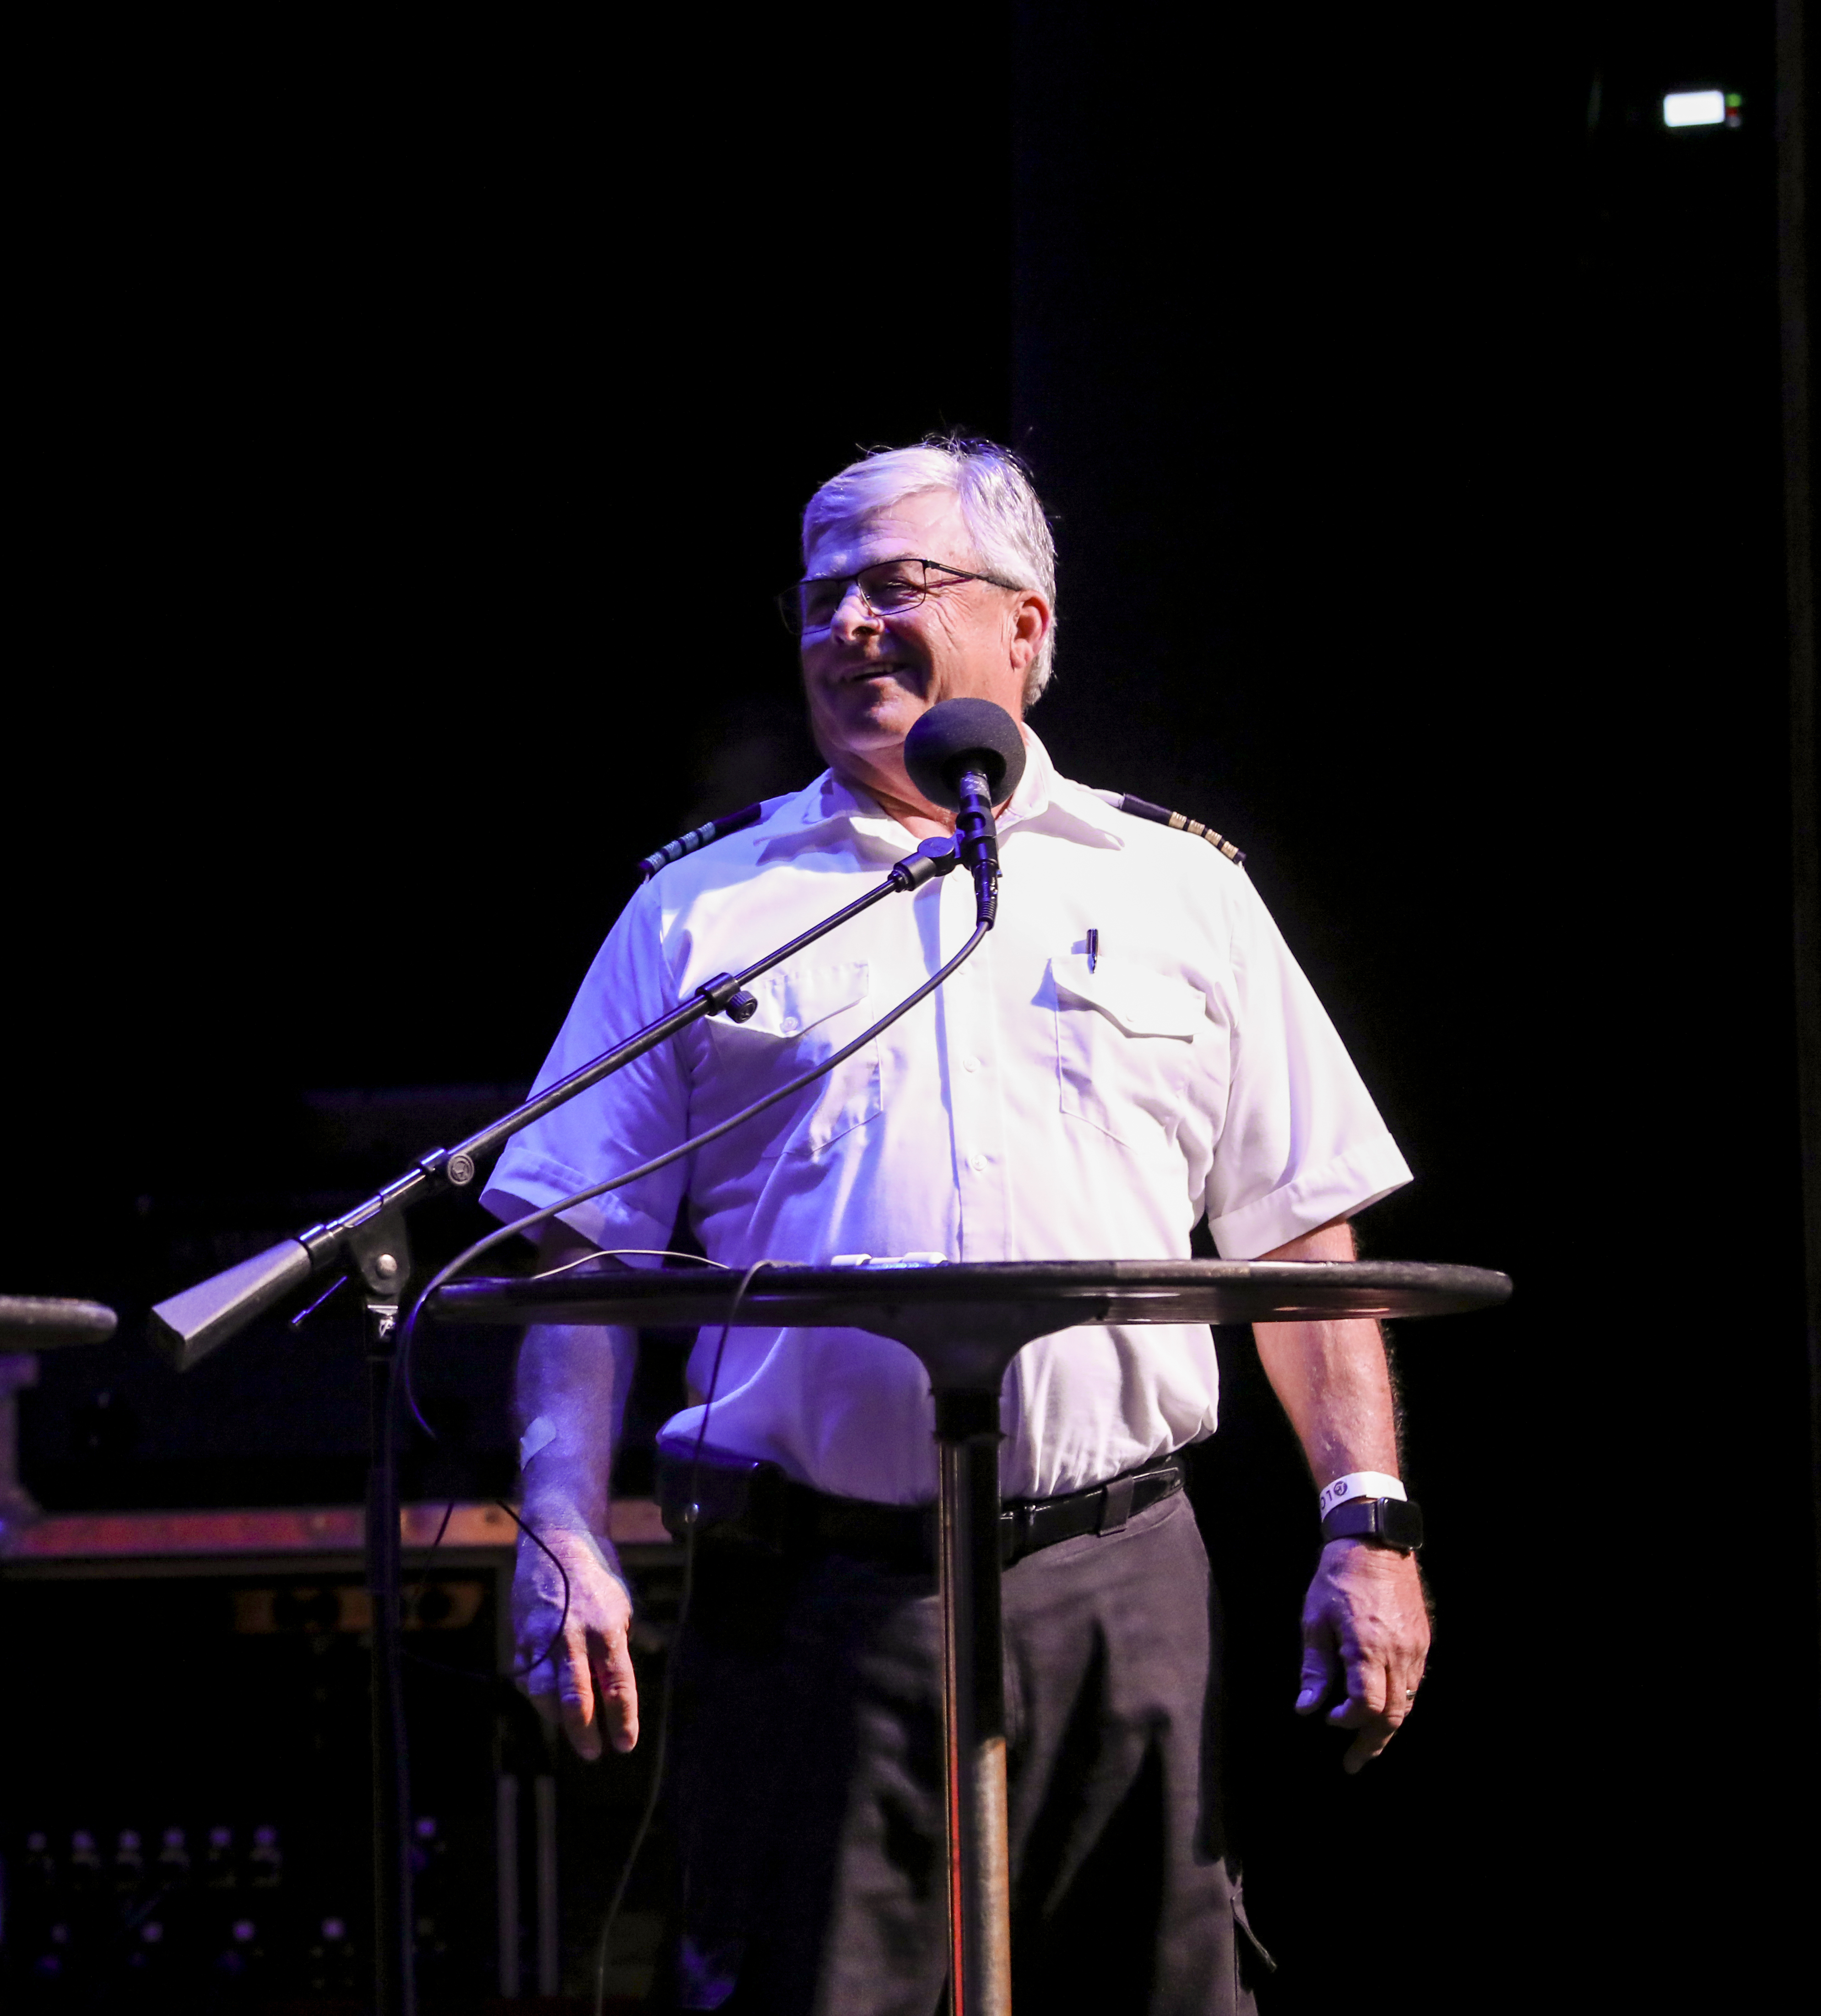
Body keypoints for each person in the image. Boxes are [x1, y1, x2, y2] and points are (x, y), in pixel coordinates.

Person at [484, 437, 1427, 2013]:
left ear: (1026, 631)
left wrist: (1368, 1517)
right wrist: (562, 1520)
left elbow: (1300, 1232)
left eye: (896, 583)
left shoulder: (1175, 888)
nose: (847, 621)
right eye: (819, 592)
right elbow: (578, 1249)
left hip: (1121, 1584)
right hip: (820, 1609)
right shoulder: (702, 911)